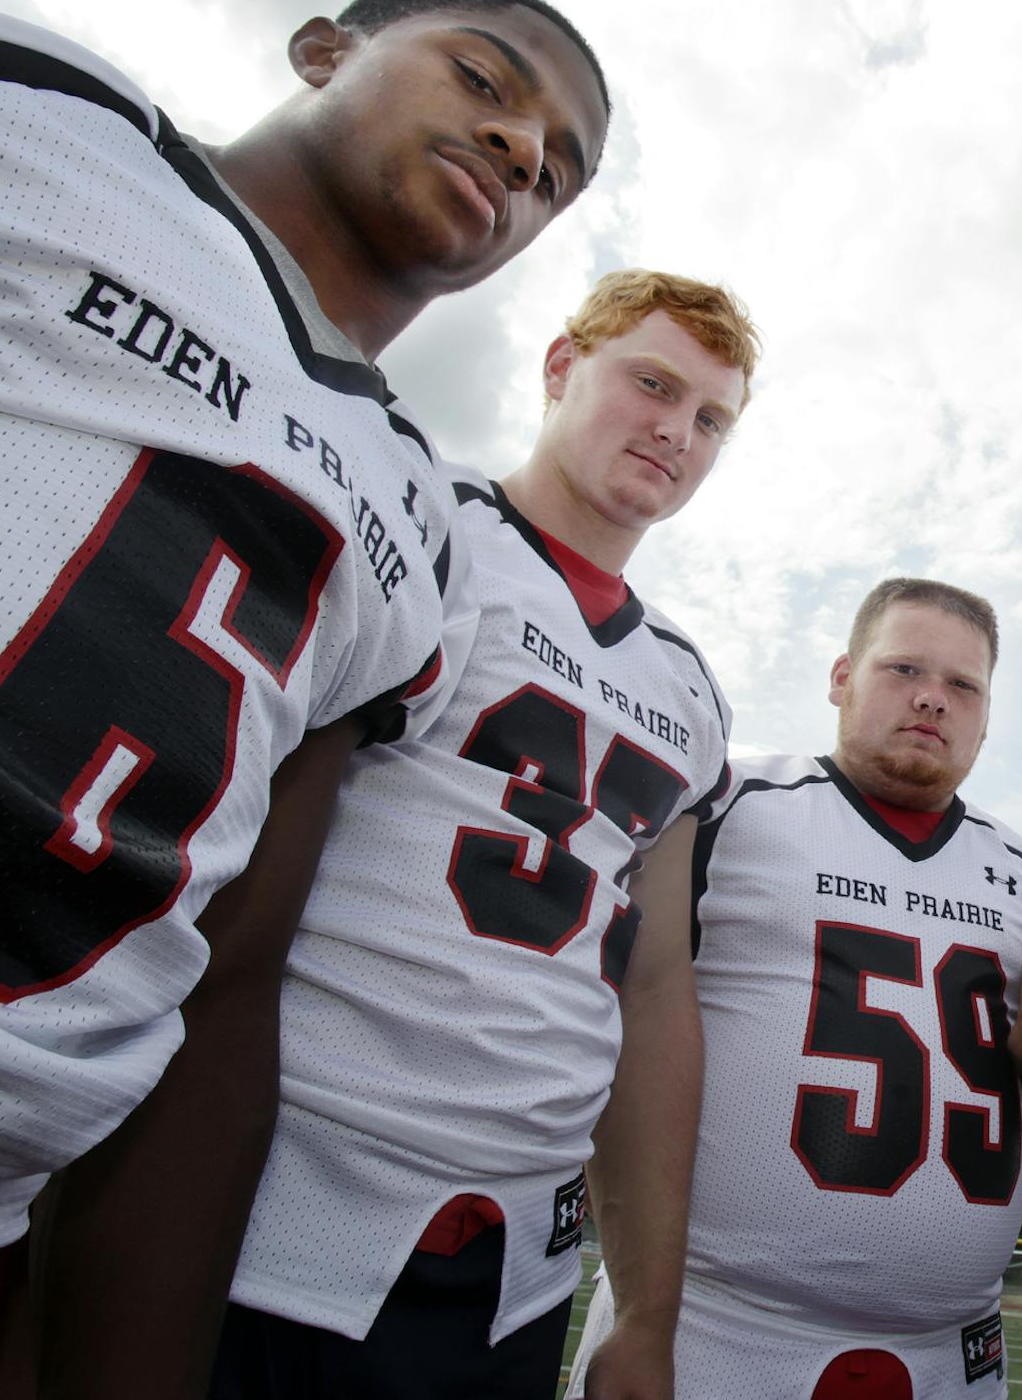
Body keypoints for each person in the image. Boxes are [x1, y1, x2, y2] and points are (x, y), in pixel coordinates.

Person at [0, 0, 609, 1398]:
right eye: (486, 82)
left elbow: (226, 978)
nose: (517, 149)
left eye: (554, 168)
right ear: (324, 47)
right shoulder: (28, 105)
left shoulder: (415, 517)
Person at [209, 271, 754, 1398]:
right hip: (272, 1196)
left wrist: (646, 1314)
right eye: (650, 383)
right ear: (561, 367)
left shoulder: (689, 691)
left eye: (711, 418)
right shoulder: (422, 519)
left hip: (513, 1260)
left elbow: (652, 991)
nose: (675, 431)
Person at [569, 578, 1022, 1400]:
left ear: (988, 716)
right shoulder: (723, 811)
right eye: (903, 670)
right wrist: (643, 1312)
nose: (933, 700)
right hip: (718, 1328)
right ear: (841, 677)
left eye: (964, 686)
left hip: (947, 1355)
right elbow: (617, 1025)